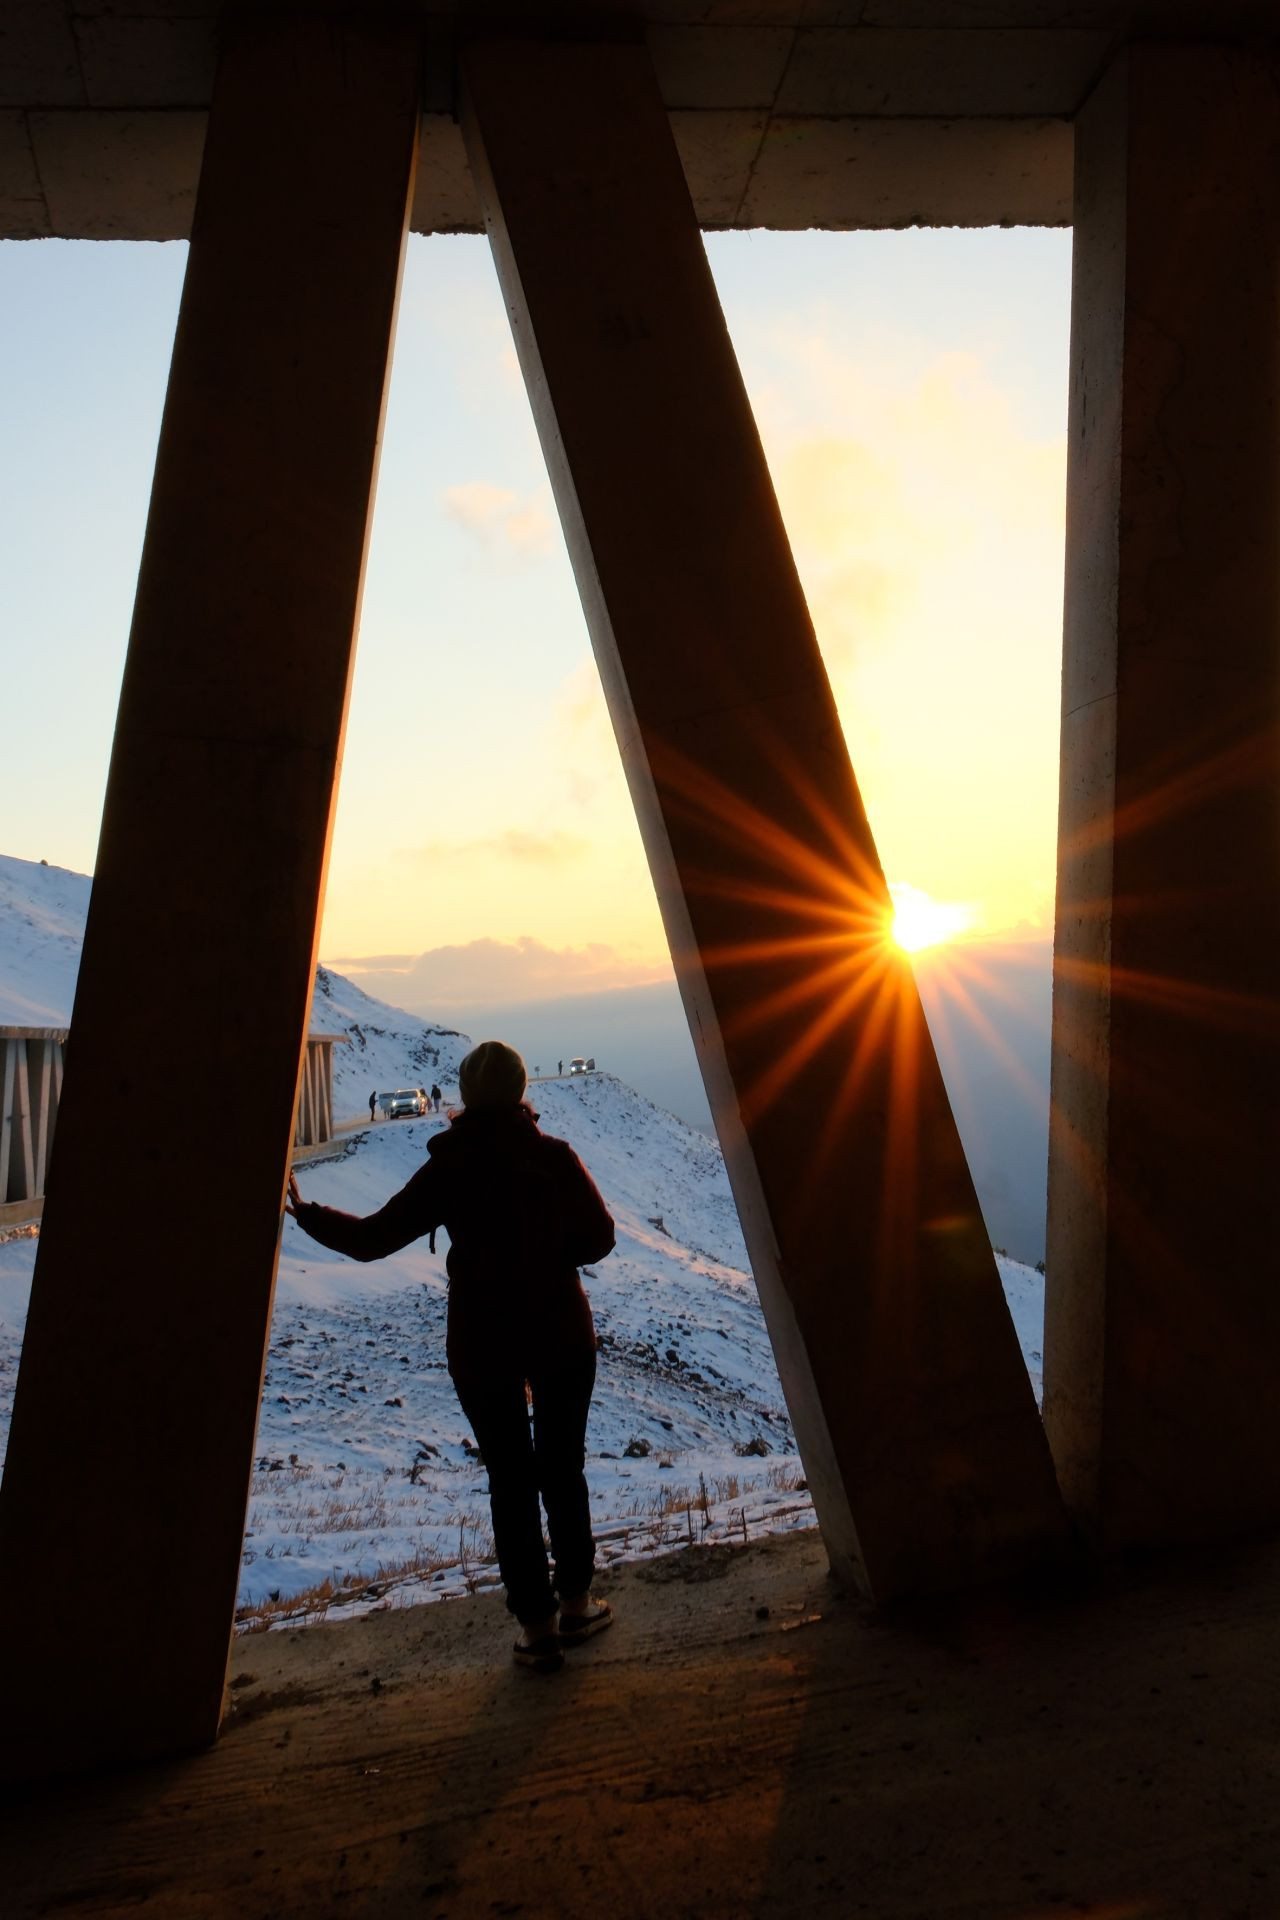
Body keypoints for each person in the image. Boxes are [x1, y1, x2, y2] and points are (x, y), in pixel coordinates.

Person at [287, 1039, 615, 1673]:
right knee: (562, 1469)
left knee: (510, 1482)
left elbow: (375, 1239)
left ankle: (537, 1629)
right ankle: (578, 1603)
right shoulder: (553, 1158)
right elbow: (599, 1238)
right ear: (522, 1093)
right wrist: (547, 1256)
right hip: (560, 1332)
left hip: (482, 1338)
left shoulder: (451, 1167)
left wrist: (309, 1214)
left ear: (464, 1096)